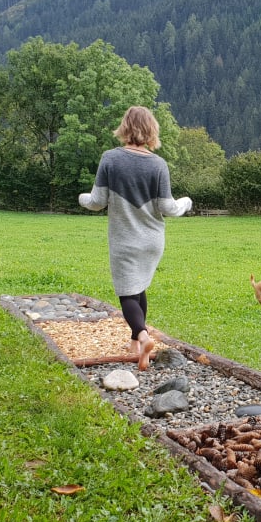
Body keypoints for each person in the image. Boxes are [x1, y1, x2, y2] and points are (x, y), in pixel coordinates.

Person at [79, 106, 192, 371]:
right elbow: (168, 208)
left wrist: (81, 198)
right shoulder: (158, 164)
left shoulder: (110, 159)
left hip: (125, 240)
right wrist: (186, 202)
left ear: (125, 128)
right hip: (153, 241)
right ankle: (135, 345)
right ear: (152, 129)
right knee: (139, 287)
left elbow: (97, 202)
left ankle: (142, 335)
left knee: (127, 292)